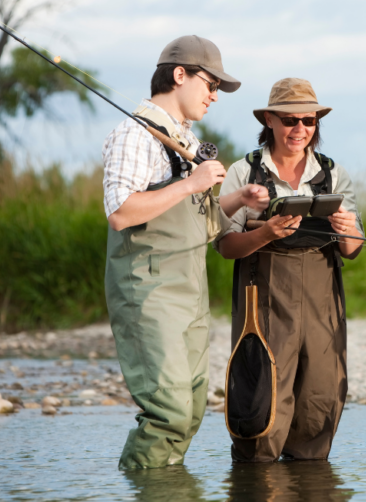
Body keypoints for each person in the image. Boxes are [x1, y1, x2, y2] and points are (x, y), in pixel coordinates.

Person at [103, 35, 267, 470]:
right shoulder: (133, 134)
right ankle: (141, 486)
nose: (214, 96)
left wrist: (238, 201)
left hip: (191, 289)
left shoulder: (186, 139)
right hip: (149, 290)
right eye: (210, 84)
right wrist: (192, 183)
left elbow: (199, 219)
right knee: (168, 413)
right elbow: (120, 213)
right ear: (180, 75)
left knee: (192, 410)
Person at [216, 77, 364, 462]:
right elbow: (226, 247)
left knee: (320, 398)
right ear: (269, 120)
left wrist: (348, 232)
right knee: (261, 402)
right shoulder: (242, 173)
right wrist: (265, 233)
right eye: (289, 120)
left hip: (322, 302)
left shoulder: (334, 174)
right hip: (261, 300)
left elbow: (353, 250)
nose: (300, 129)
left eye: (309, 121)